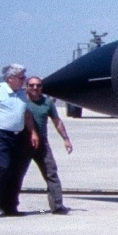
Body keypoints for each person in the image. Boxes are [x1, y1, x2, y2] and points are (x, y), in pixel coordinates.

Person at [0, 64, 38, 217]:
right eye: (21, 77)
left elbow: (27, 115)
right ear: (10, 78)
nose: (24, 80)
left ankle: (10, 205)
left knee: (15, 171)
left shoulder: (22, 94)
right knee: (3, 167)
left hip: (17, 136)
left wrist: (33, 133)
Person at [23, 76, 72, 214]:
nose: (35, 88)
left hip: (42, 144)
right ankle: (10, 205)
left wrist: (66, 139)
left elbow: (57, 121)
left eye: (38, 85)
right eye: (31, 85)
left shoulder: (47, 103)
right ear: (26, 86)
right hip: (22, 143)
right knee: (17, 174)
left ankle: (57, 205)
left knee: (51, 172)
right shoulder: (21, 101)